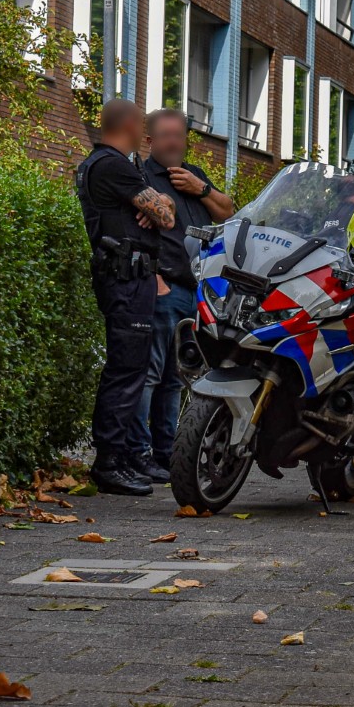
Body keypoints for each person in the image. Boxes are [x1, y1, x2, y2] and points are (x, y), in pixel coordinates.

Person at [75, 99, 177, 496]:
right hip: (126, 279)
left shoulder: (105, 165)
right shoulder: (113, 165)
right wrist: (158, 208)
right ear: (131, 126)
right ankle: (110, 462)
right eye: (143, 127)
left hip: (127, 278)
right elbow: (167, 217)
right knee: (126, 370)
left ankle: (126, 457)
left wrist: (158, 204)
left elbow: (165, 208)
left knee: (130, 369)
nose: (146, 135)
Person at [138, 109, 234, 483]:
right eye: (166, 136)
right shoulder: (141, 177)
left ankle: (166, 454)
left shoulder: (194, 175)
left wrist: (201, 189)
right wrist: (156, 279)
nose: (174, 142)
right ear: (150, 140)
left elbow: (227, 212)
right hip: (165, 290)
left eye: (179, 135)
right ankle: (140, 454)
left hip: (198, 294)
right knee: (150, 374)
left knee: (175, 379)